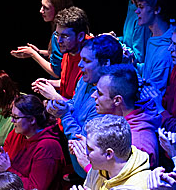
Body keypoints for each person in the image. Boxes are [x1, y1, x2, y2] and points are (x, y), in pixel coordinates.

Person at [33, 33, 125, 177]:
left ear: (106, 63)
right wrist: (59, 105)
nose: (80, 65)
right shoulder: (84, 80)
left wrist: (61, 110)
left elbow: (82, 144)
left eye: (86, 60)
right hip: (80, 169)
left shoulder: (106, 100)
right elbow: (74, 106)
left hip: (94, 173)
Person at [0, 93, 67, 190]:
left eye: (16, 117)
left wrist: (8, 170)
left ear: (31, 120)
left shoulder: (48, 147)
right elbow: (5, 158)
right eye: (12, 116)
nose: (12, 121)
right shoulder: (17, 133)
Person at [93, 64, 161, 157]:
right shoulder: (119, 123)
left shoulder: (138, 144)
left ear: (117, 100)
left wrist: (88, 165)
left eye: (100, 93)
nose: (93, 96)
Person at [10, 0, 73, 78]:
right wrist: (39, 52)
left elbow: (56, 73)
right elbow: (63, 56)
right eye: (42, 6)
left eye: (46, 8)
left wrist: (33, 54)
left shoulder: (58, 35)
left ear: (58, 9)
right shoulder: (70, 29)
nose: (41, 10)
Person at [134, 0, 175, 109]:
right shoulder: (154, 38)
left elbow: (152, 95)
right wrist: (134, 65)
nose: (137, 11)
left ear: (156, 9)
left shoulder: (165, 51)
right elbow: (149, 72)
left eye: (141, 7)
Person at [48, 7, 91, 98]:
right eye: (57, 34)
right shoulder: (69, 50)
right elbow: (68, 86)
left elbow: (78, 106)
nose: (59, 41)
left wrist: (53, 96)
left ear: (80, 36)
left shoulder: (91, 60)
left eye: (65, 36)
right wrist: (49, 84)